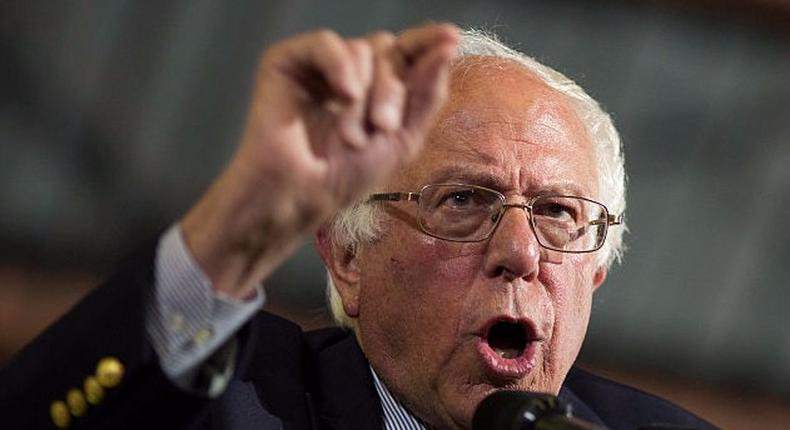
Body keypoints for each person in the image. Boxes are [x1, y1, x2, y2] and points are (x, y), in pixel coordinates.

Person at [0, 23, 717, 430]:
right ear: (348, 256)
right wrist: (238, 227)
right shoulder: (240, 405)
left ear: (594, 269)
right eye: (464, 201)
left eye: (559, 213)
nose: (520, 251)